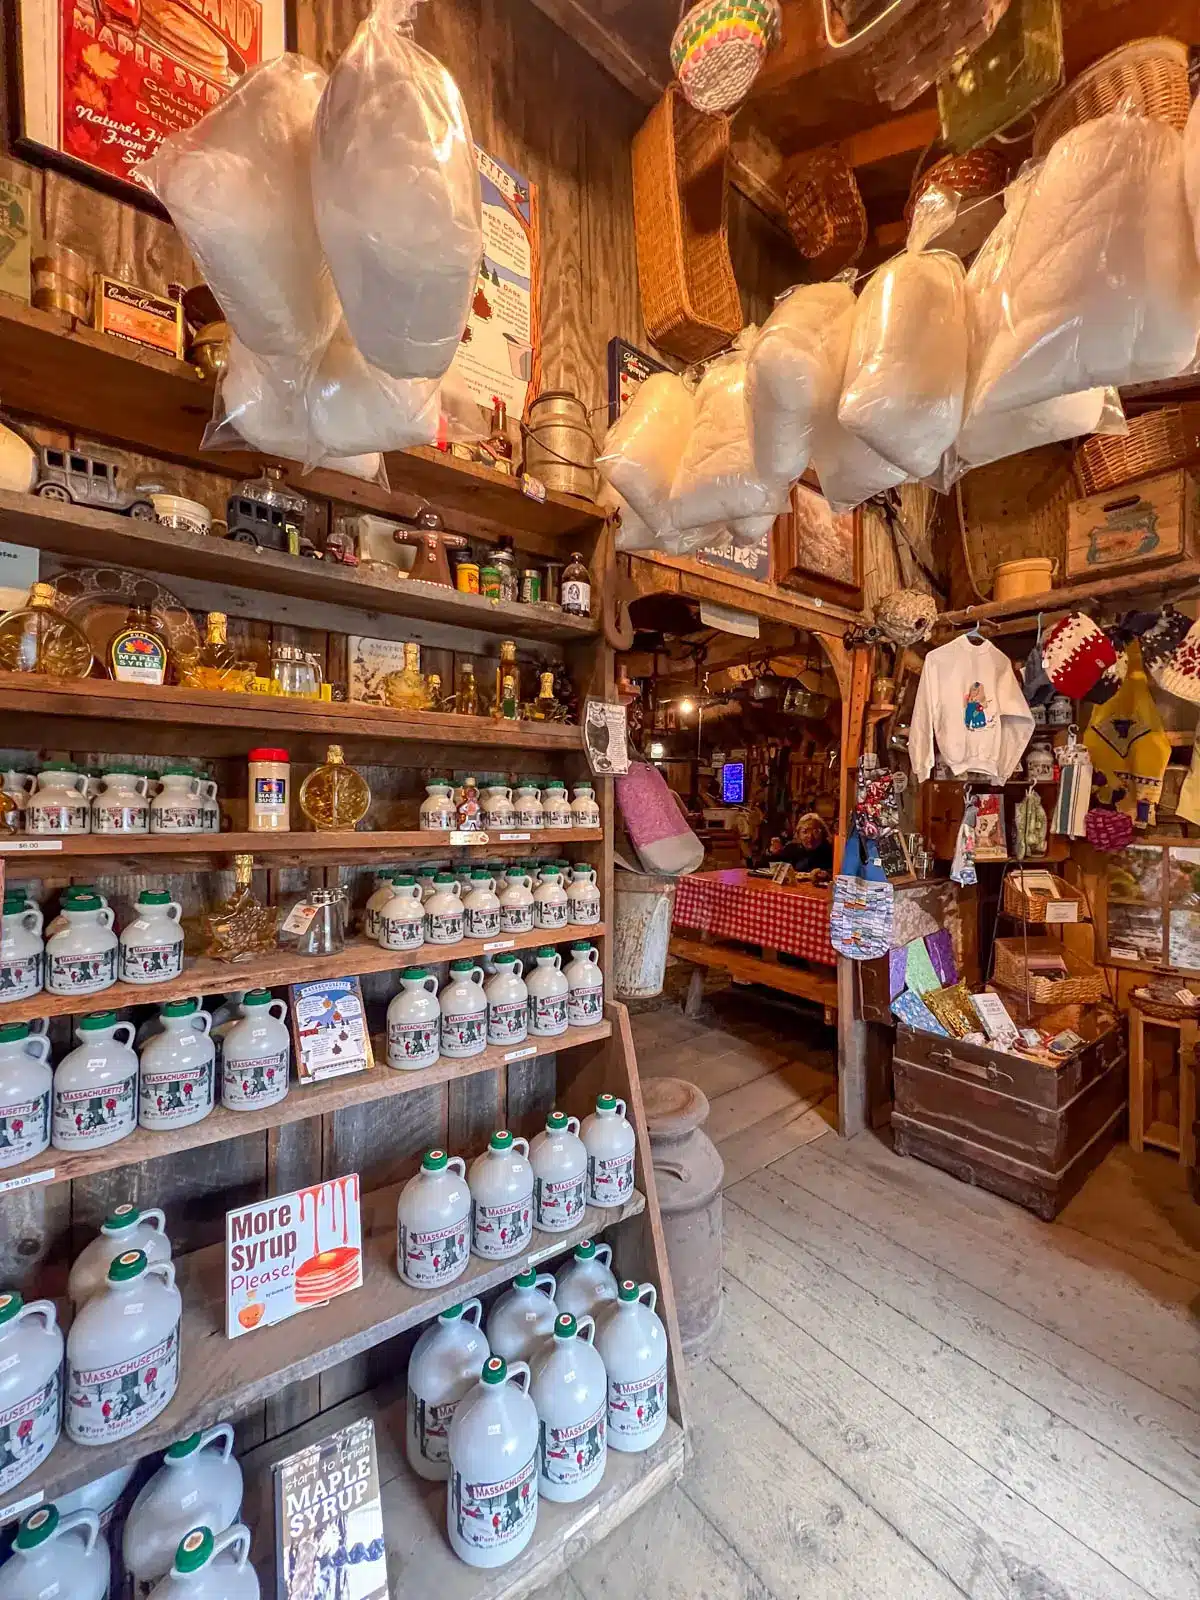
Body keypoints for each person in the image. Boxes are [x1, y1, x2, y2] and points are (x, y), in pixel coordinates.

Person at [768, 812, 832, 874]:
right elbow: (771, 869)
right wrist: (774, 854)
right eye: (805, 832)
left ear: (823, 833)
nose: (810, 836)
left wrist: (826, 874)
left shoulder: (830, 852)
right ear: (798, 834)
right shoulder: (792, 848)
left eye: (816, 832)